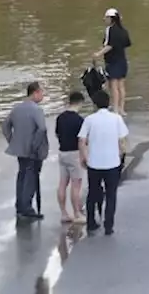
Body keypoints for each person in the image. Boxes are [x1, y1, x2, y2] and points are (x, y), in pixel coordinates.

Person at [78, 89, 128, 235]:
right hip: (112, 162)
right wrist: (121, 155)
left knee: (92, 193)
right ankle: (108, 225)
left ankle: (91, 222)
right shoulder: (117, 118)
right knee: (111, 194)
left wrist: (84, 156)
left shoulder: (89, 120)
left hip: (94, 163)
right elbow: (122, 140)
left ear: (95, 104)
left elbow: (81, 140)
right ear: (109, 103)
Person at [2, 81, 49, 220]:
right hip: (33, 151)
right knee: (31, 177)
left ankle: (20, 205)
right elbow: (42, 128)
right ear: (35, 93)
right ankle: (27, 207)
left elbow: (5, 126)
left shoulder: (16, 108)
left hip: (20, 149)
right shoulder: (36, 110)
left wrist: (12, 140)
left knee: (22, 175)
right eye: (42, 92)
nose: (43, 96)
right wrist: (35, 145)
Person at [55, 92, 86, 224]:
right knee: (76, 185)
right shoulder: (79, 120)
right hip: (74, 154)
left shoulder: (60, 118)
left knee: (62, 183)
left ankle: (64, 213)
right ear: (79, 103)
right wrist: (84, 156)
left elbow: (57, 134)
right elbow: (83, 140)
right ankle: (77, 213)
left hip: (62, 153)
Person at [96, 8, 131, 116]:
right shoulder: (124, 30)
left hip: (112, 62)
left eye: (106, 17)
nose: (104, 19)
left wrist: (98, 54)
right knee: (121, 86)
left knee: (113, 86)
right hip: (122, 61)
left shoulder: (110, 30)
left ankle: (115, 110)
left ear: (111, 19)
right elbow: (127, 44)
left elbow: (109, 46)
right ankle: (121, 109)